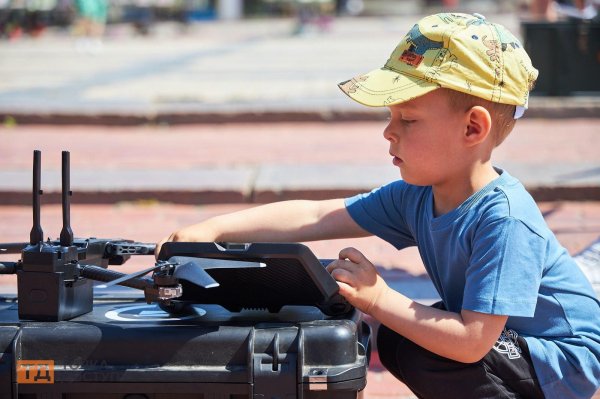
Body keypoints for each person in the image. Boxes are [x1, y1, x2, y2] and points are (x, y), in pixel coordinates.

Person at [157, 13, 600, 399]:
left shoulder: (504, 219)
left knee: (431, 351)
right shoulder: (419, 194)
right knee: (399, 343)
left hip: (559, 358)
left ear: (472, 128)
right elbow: (316, 216)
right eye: (390, 118)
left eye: (407, 119)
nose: (389, 133)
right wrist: (213, 229)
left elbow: (470, 343)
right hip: (498, 340)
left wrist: (380, 298)